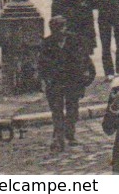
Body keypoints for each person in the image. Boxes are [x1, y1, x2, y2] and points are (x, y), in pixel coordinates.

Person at [39, 15, 95, 152]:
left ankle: (70, 134)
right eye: (55, 29)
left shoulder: (75, 41)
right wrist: (44, 80)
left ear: (65, 28)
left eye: (61, 28)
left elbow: (86, 60)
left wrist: (88, 78)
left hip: (72, 81)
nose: (59, 32)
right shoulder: (47, 43)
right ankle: (58, 137)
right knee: (57, 110)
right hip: (55, 82)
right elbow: (42, 64)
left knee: (72, 110)